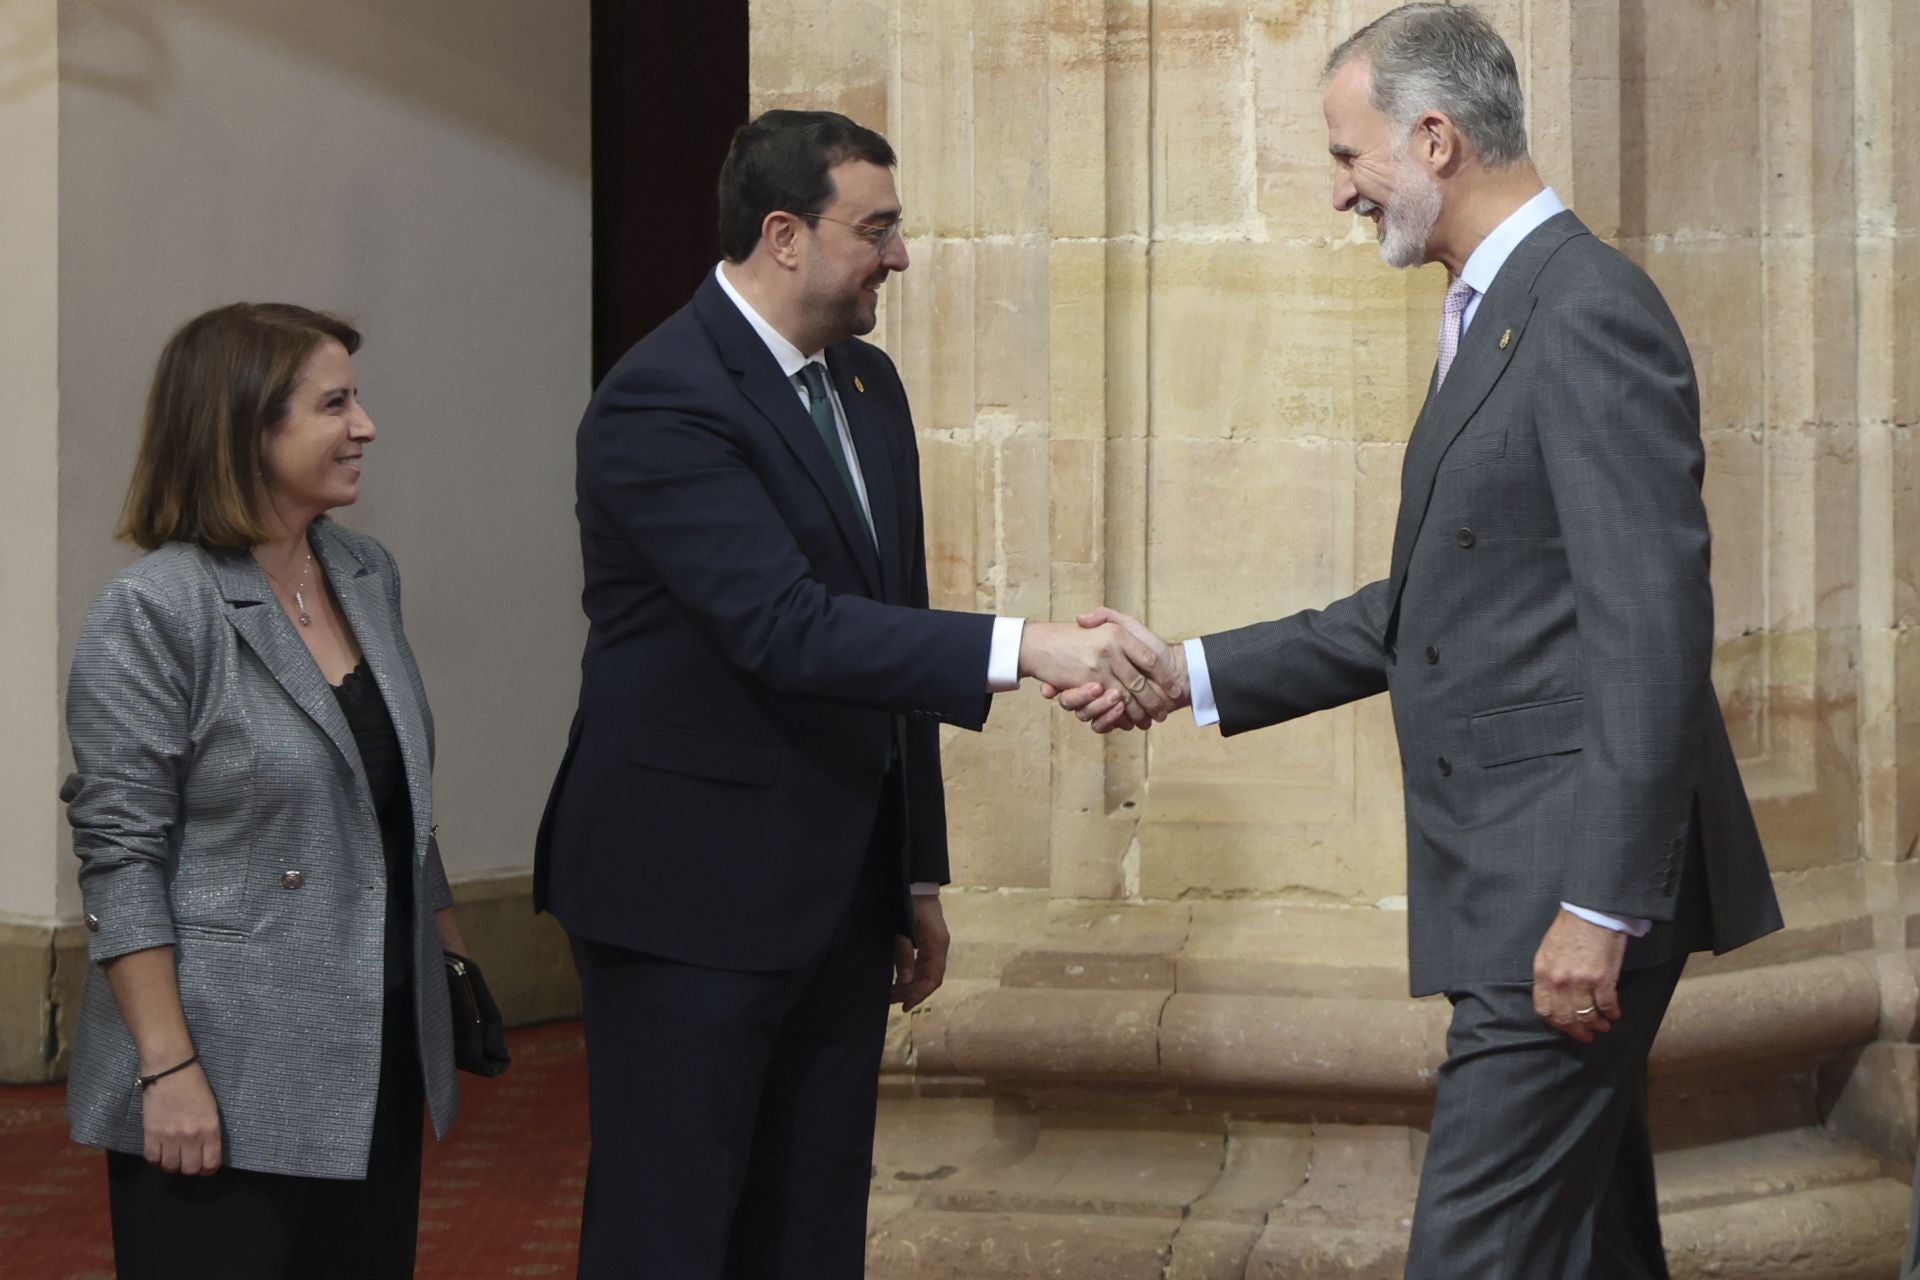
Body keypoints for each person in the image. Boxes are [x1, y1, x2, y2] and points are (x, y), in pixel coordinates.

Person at [1051, 6, 1783, 1276]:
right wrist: (1190, 673)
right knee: (1591, 1250)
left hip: (1558, 890)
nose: (1340, 190)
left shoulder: (1584, 308)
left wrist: (1598, 906)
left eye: (1350, 156)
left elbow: (1653, 629)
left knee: (1473, 1253)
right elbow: (1437, 608)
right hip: (1517, 877)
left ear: (1436, 139)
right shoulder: (1494, 307)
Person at [533, 108, 1173, 1277]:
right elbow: (786, 626)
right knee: (672, 1231)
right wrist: (1028, 646)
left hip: (834, 890)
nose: (901, 255)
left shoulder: (866, 384)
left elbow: (889, 617)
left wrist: (911, 871)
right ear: (785, 235)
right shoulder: (663, 397)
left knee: (811, 1227)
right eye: (874, 229)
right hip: (686, 897)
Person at [62, 302, 466, 1280]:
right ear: (246, 427)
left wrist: (450, 965)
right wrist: (168, 1067)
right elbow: (121, 857)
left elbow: (393, 798)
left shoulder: (365, 572)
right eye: (335, 405)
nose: (365, 426)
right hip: (221, 1069)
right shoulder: (154, 610)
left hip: (372, 1049)